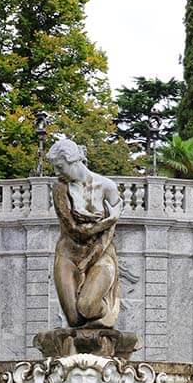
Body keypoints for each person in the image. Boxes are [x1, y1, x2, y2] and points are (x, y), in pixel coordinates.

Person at [48, 137, 123, 328]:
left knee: (87, 307)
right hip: (68, 254)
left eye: (60, 166)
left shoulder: (108, 187)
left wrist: (90, 258)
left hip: (100, 254)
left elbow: (108, 235)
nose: (57, 172)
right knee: (74, 319)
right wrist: (107, 221)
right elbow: (72, 229)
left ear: (73, 160)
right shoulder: (60, 188)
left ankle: (105, 312)